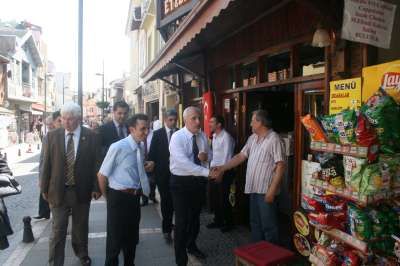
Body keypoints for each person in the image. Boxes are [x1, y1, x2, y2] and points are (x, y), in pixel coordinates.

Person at [41, 103, 101, 266]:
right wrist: (43, 187)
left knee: (80, 228)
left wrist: (97, 187)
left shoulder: (91, 136)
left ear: (79, 118)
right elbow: (45, 164)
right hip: (58, 190)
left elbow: (97, 163)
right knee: (58, 229)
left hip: (81, 189)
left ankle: (82, 254)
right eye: (64, 119)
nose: (67, 122)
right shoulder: (52, 136)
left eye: (71, 119)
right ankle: (55, 262)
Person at [212, 110, 285, 244]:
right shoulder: (252, 138)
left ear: (260, 122)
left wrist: (272, 190)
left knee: (269, 226)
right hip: (253, 189)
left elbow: (280, 166)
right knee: (255, 223)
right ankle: (257, 254)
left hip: (266, 191)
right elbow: (240, 156)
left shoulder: (274, 138)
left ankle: (273, 257)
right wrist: (222, 168)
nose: (250, 123)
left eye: (252, 121)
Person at [97, 114, 153, 266]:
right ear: (132, 129)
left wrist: (146, 165)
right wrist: (108, 198)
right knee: (114, 241)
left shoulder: (140, 147)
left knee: (132, 238)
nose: (146, 132)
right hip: (118, 197)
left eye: (148, 128)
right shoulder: (118, 147)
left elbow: (135, 168)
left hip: (134, 198)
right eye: (143, 129)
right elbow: (102, 175)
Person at [169, 106, 213, 266]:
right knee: (181, 221)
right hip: (180, 183)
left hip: (197, 182)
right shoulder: (177, 137)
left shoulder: (202, 136)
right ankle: (181, 260)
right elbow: (183, 163)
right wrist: (207, 172)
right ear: (185, 120)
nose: (198, 121)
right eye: (194, 118)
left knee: (195, 218)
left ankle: (191, 245)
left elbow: (209, 156)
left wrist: (206, 157)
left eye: (199, 118)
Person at [148, 109, 178, 243]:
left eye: (175, 120)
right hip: (162, 175)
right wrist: (153, 175)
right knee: (166, 202)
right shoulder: (157, 134)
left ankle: (177, 225)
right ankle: (166, 229)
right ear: (165, 120)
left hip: (177, 175)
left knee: (177, 202)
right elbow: (152, 155)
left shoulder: (179, 133)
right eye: (170, 120)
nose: (173, 122)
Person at [207, 115, 235, 232]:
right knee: (215, 197)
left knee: (224, 198)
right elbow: (214, 155)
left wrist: (221, 173)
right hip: (214, 170)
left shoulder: (226, 137)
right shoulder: (214, 136)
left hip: (224, 171)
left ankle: (228, 222)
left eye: (212, 122)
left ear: (219, 124)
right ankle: (217, 220)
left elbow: (227, 157)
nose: (210, 124)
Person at [34, 111, 62, 220]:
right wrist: (41, 178)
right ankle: (44, 213)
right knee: (45, 193)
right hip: (50, 175)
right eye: (58, 121)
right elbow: (43, 159)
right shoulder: (48, 137)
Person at [140, 127, 158, 206]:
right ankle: (145, 199)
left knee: (153, 180)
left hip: (152, 159)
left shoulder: (154, 133)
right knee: (143, 180)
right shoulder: (139, 133)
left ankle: (152, 196)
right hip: (142, 159)